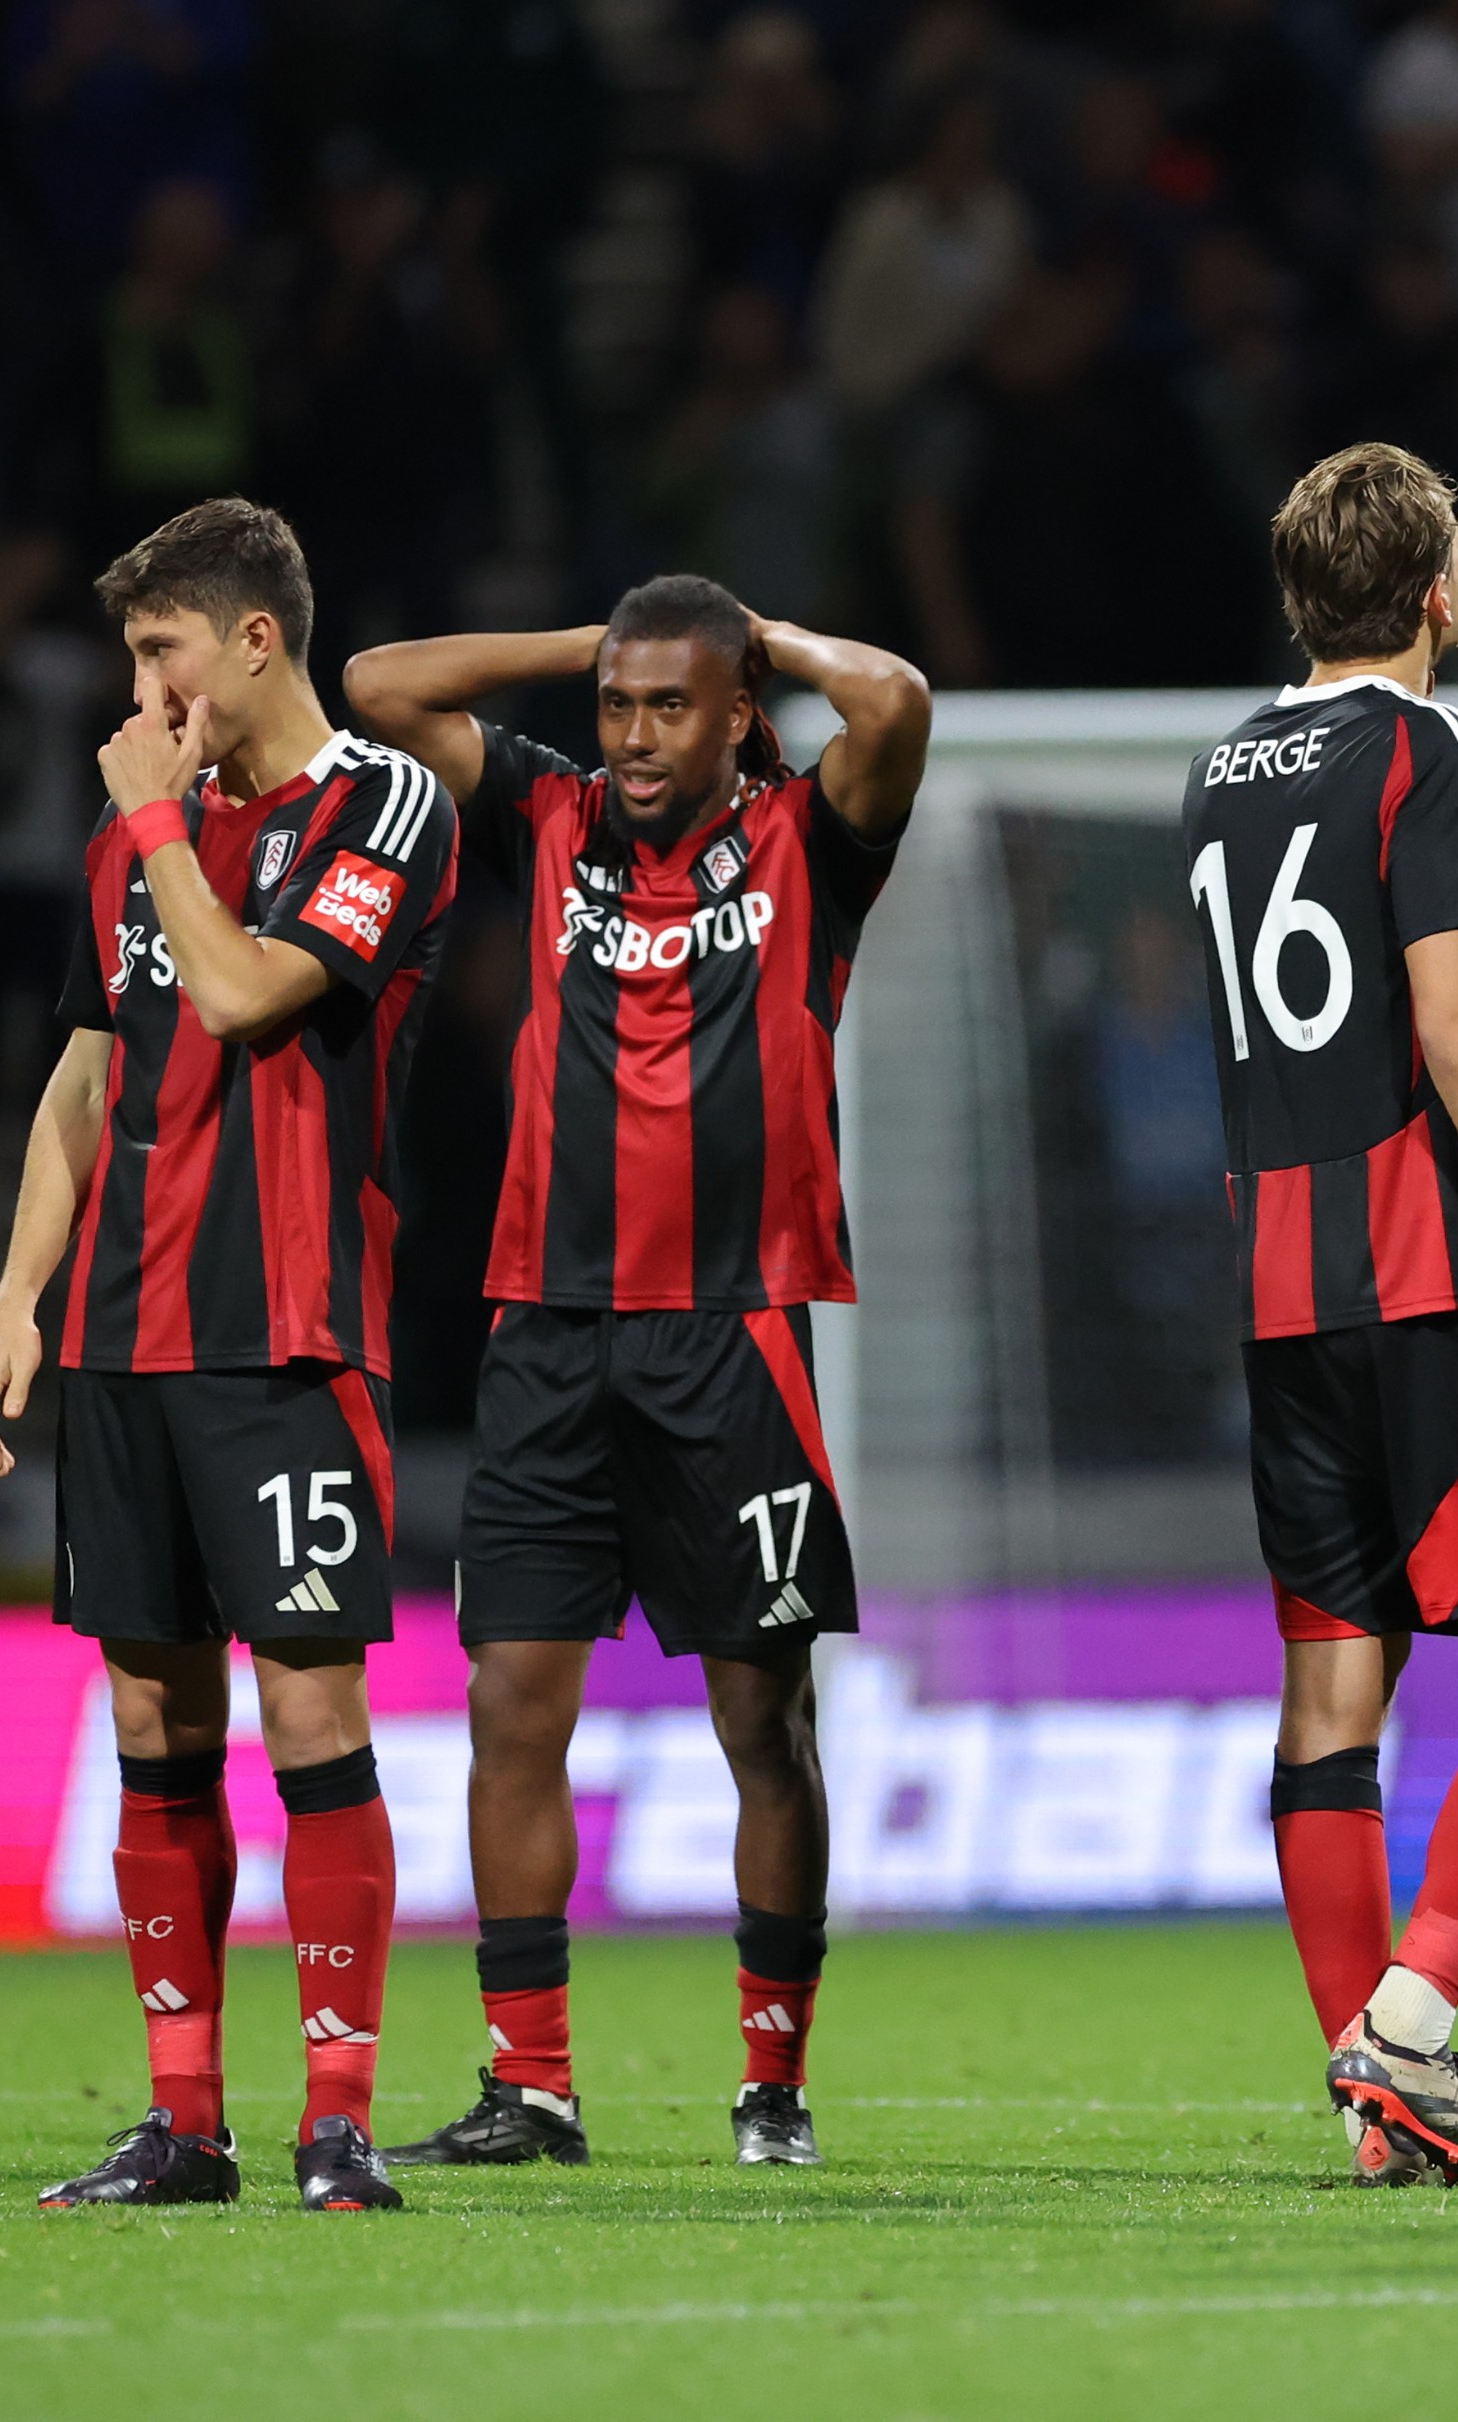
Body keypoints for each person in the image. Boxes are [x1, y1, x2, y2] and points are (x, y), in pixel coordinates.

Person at [340, 577, 930, 2172]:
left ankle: (773, 2086)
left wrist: (763, 639)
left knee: (763, 1718)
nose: (637, 735)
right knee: (510, 1705)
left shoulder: (813, 836)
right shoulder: (549, 811)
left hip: (734, 1334)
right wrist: (583, 648)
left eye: (673, 705)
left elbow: (896, 700)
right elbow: (380, 678)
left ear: (741, 713)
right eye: (619, 705)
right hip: (544, 1329)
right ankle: (530, 2085)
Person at [0, 499, 459, 2214]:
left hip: (287, 1335)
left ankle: (338, 2117)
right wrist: (21, 1293)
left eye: (160, 648)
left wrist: (164, 824)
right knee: (155, 1730)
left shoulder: (384, 801)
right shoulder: (133, 840)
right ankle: (187, 2123)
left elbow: (256, 993)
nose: (138, 687)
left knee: (313, 1715)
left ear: (255, 638)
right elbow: (86, 1079)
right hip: (122, 1340)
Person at [1186, 443, 1458, 2189]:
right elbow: (1455, 1022)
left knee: (1330, 1686)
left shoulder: (1221, 768)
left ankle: (1371, 2100)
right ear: (1441, 594)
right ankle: (1413, 2023)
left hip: (1283, 1297)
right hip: (1437, 1274)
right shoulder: (1433, 744)